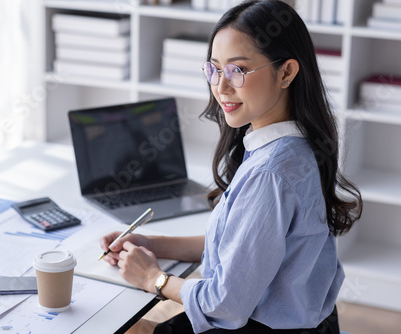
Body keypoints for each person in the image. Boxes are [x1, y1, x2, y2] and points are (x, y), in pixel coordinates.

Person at [99, 1, 362, 333]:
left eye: (237, 70)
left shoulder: (270, 173)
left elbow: (224, 304)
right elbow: (238, 248)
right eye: (214, 69)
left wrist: (153, 277)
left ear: (286, 72)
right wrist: (151, 245)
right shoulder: (294, 145)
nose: (221, 87)